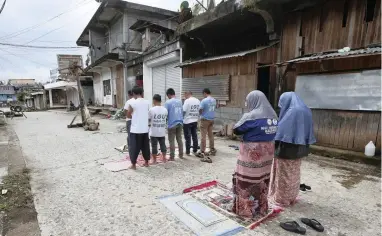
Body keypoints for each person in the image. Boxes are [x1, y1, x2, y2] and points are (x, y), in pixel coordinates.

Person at [232, 90, 278, 218]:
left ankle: (246, 209)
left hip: (252, 152)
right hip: (267, 153)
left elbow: (236, 129)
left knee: (246, 179)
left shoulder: (251, 116)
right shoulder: (273, 115)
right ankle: (261, 207)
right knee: (262, 178)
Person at [268, 92, 316, 207]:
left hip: (287, 148)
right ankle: (291, 196)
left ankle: (281, 198)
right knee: (294, 173)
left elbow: (281, 131)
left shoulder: (292, 112)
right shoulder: (306, 109)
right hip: (300, 147)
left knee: (284, 174)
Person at [127, 87, 150, 170]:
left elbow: (128, 115)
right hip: (144, 128)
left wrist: (134, 115)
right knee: (145, 146)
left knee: (134, 147)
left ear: (133, 93)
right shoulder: (147, 102)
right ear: (141, 93)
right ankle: (146, 162)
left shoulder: (132, 103)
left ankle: (133, 165)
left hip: (135, 129)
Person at [197, 88, 216, 163]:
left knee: (203, 136)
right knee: (211, 135)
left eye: (203, 94)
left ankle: (202, 151)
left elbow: (200, 110)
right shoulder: (214, 100)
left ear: (205, 93)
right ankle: (212, 149)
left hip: (205, 120)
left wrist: (201, 114)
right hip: (211, 119)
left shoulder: (204, 100)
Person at [164, 88, 184, 160]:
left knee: (171, 140)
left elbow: (165, 113)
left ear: (169, 95)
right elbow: (182, 111)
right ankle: (181, 155)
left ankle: (172, 157)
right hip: (180, 122)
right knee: (179, 139)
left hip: (172, 123)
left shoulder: (168, 102)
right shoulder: (180, 101)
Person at [149, 94, 168, 163]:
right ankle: (164, 158)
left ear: (154, 100)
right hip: (162, 131)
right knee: (163, 145)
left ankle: (154, 160)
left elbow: (148, 119)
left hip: (154, 131)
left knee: (154, 146)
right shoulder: (165, 110)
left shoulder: (151, 110)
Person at [182, 91, 200, 155]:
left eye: (185, 95)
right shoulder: (197, 100)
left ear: (187, 94)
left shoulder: (187, 101)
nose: (184, 97)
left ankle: (187, 151)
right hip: (195, 120)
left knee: (187, 137)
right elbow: (199, 110)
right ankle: (195, 149)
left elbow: (183, 111)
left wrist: (181, 118)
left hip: (187, 121)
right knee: (194, 135)